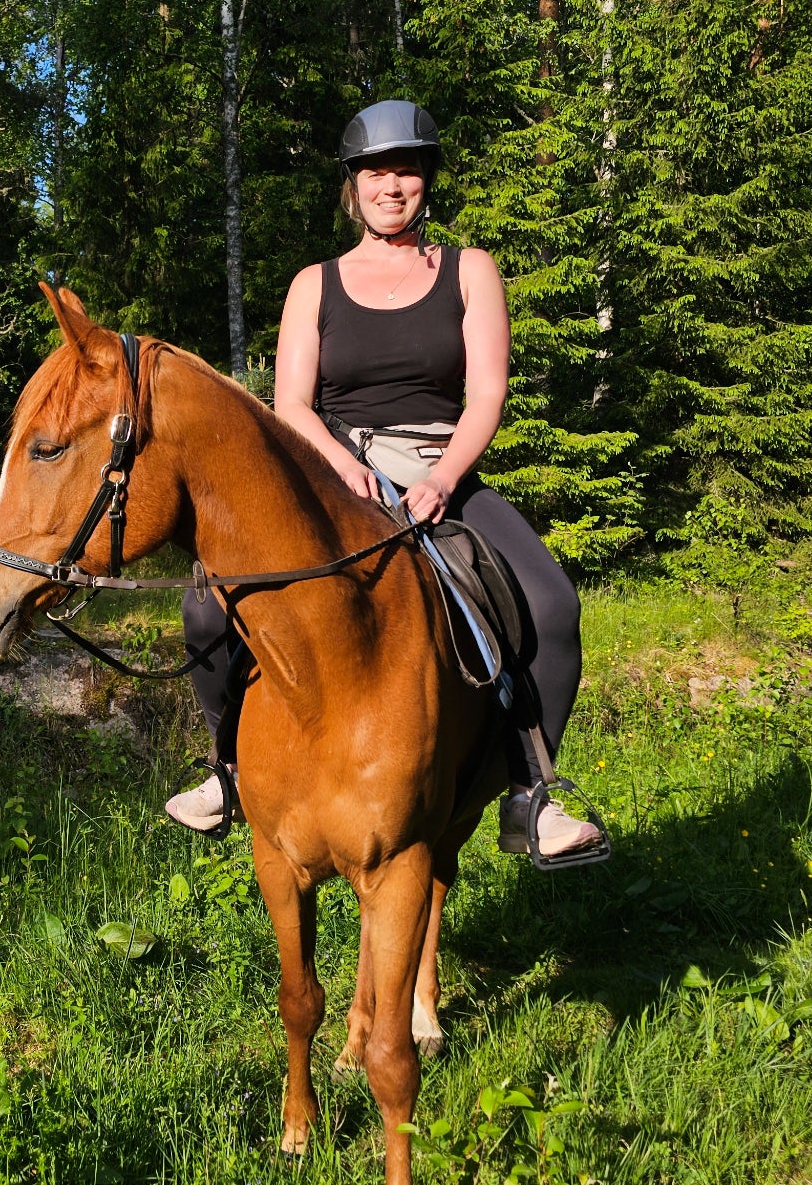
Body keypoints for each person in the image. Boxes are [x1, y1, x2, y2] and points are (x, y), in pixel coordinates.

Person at [165, 99, 602, 861]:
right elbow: (291, 404)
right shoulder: (315, 284)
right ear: (352, 186)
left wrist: (442, 479)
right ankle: (227, 770)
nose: (390, 186)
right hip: (331, 472)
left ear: (426, 181)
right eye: (375, 172)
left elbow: (488, 395)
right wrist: (342, 466)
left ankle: (531, 798)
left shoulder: (472, 271)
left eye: (405, 170)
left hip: (443, 469)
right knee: (207, 610)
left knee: (552, 605)